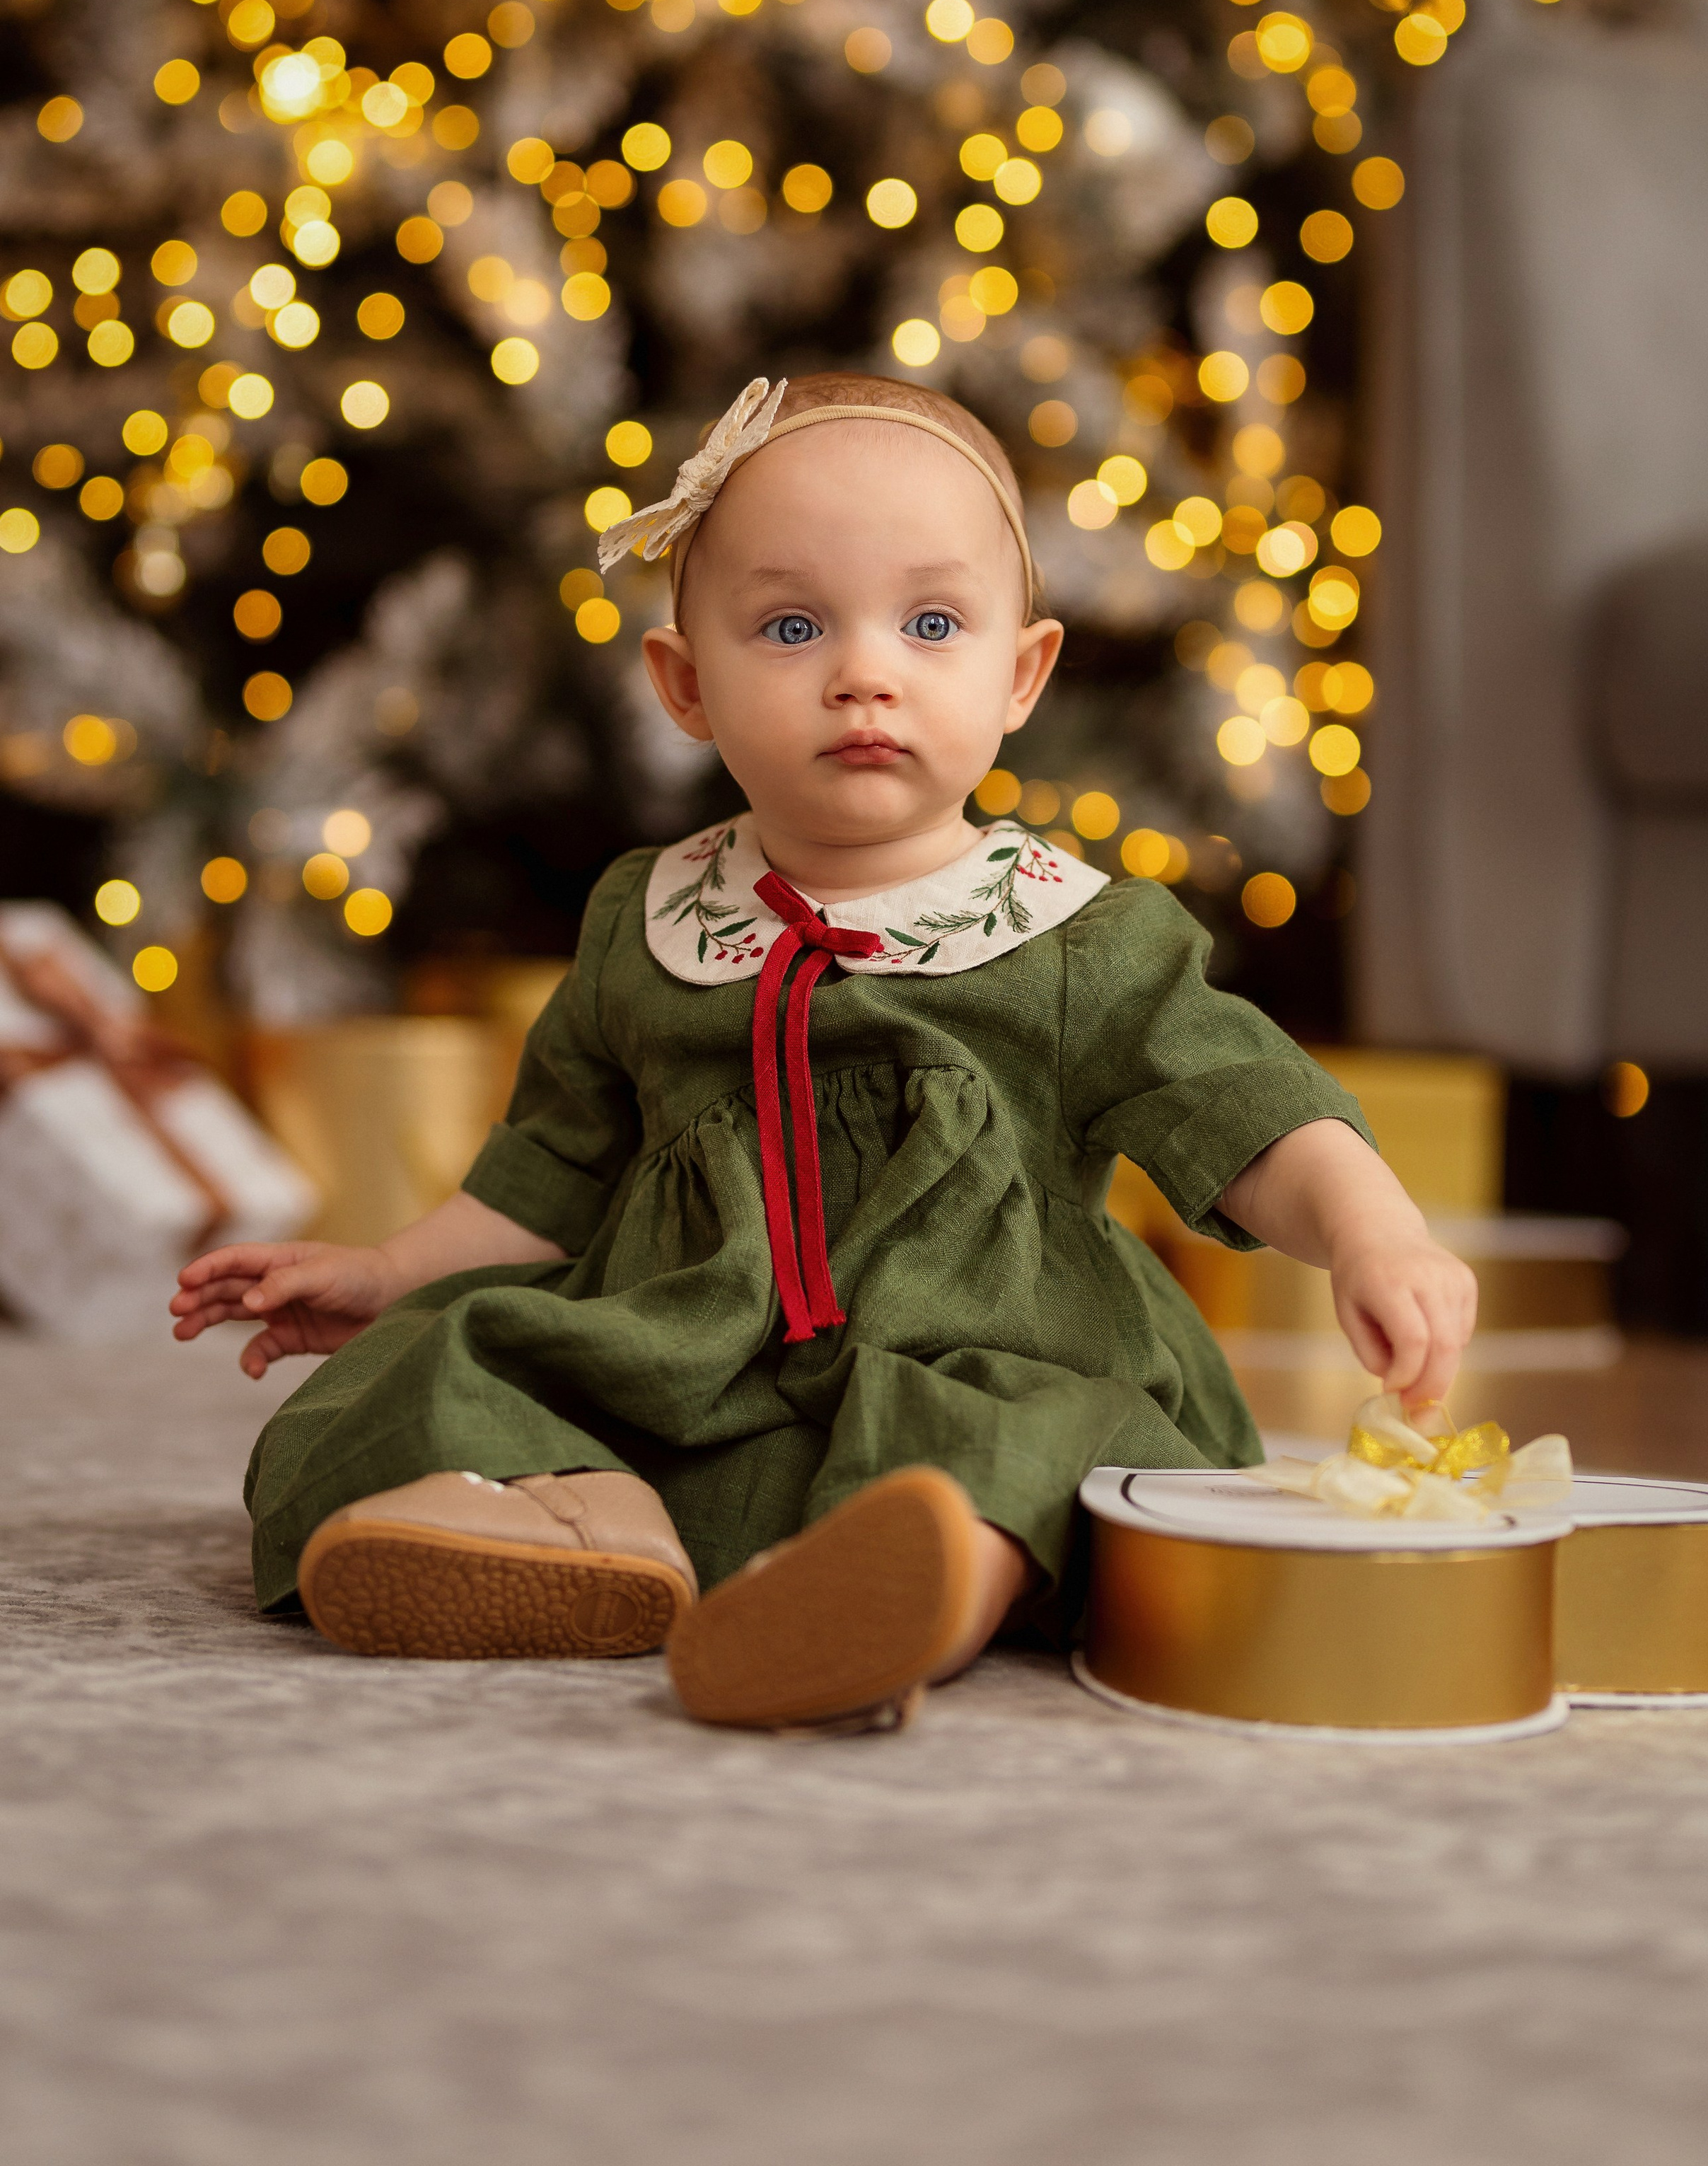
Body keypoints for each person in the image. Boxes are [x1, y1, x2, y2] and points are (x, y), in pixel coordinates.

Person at [172, 371, 1476, 1732]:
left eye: (930, 623)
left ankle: (917, 1582)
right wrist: (388, 1273)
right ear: (686, 686)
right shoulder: (652, 921)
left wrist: (1375, 1233)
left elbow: (1249, 1108)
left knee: (1050, 1433)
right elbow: (545, 1177)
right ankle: (588, 1536)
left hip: (978, 1364)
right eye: (792, 626)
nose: (866, 673)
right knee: (421, 1367)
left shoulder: (1076, 937)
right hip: (691, 1381)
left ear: (1020, 674)